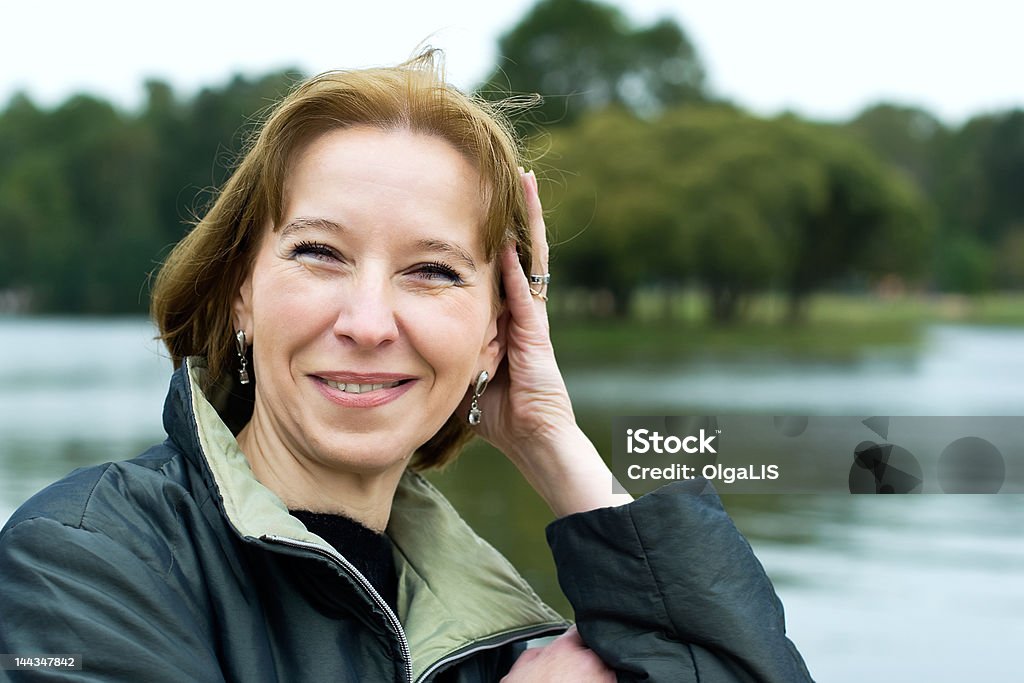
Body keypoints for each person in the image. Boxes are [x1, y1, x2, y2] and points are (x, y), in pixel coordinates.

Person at [0, 52, 813, 682]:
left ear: (497, 332)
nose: (366, 322)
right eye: (319, 253)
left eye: (431, 271)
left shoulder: (494, 633)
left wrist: (551, 442)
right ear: (241, 291)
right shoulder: (85, 558)